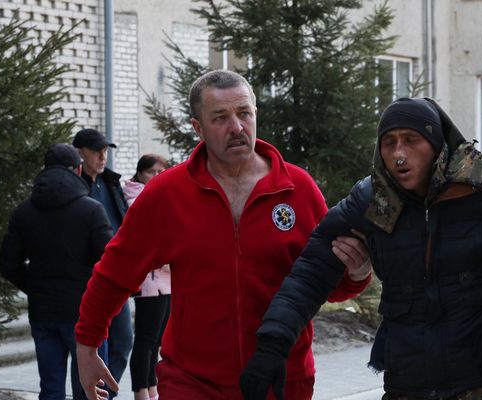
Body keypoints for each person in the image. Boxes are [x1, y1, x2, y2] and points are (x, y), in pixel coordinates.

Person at [73, 70, 371, 400]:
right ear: (198, 128)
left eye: (244, 113)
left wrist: (357, 274)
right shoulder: (167, 194)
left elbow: (329, 285)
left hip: (282, 378)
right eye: (220, 117)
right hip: (192, 381)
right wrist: (87, 346)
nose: (237, 127)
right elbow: (114, 274)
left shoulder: (297, 189)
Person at [239, 98, 482, 400]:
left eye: (411, 141)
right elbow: (311, 271)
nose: (398, 155)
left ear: (436, 144)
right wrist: (274, 343)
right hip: (407, 383)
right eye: (389, 143)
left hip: (481, 381)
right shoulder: (373, 199)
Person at [0, 144, 112, 400]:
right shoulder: (91, 210)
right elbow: (108, 261)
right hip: (85, 312)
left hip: (43, 311)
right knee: (91, 389)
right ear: (79, 169)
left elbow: (7, 263)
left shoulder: (24, 212)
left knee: (50, 388)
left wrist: (35, 286)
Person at [73, 127, 134, 393]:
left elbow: (126, 222)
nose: (102, 156)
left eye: (105, 150)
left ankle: (104, 396)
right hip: (87, 279)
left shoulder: (110, 183)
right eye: (96, 151)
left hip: (116, 275)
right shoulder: (75, 187)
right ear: (80, 153)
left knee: (123, 341)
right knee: (92, 348)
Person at [120, 154, 171, 400]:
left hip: (167, 280)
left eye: (162, 171)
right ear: (140, 173)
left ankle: (152, 388)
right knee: (146, 339)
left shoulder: (162, 196)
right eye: (152, 171)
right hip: (149, 280)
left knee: (157, 340)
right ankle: (141, 391)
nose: (157, 176)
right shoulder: (135, 198)